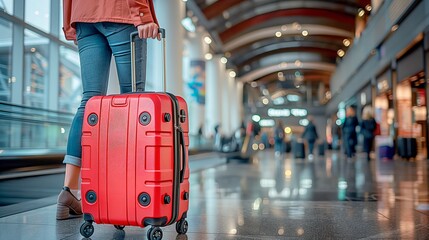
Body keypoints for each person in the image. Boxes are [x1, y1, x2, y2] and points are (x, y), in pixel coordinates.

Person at [57, 0, 160, 220]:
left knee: (89, 101)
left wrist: (69, 23)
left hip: (83, 16)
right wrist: (142, 14)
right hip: (120, 11)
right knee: (133, 100)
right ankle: (129, 190)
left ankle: (68, 191)